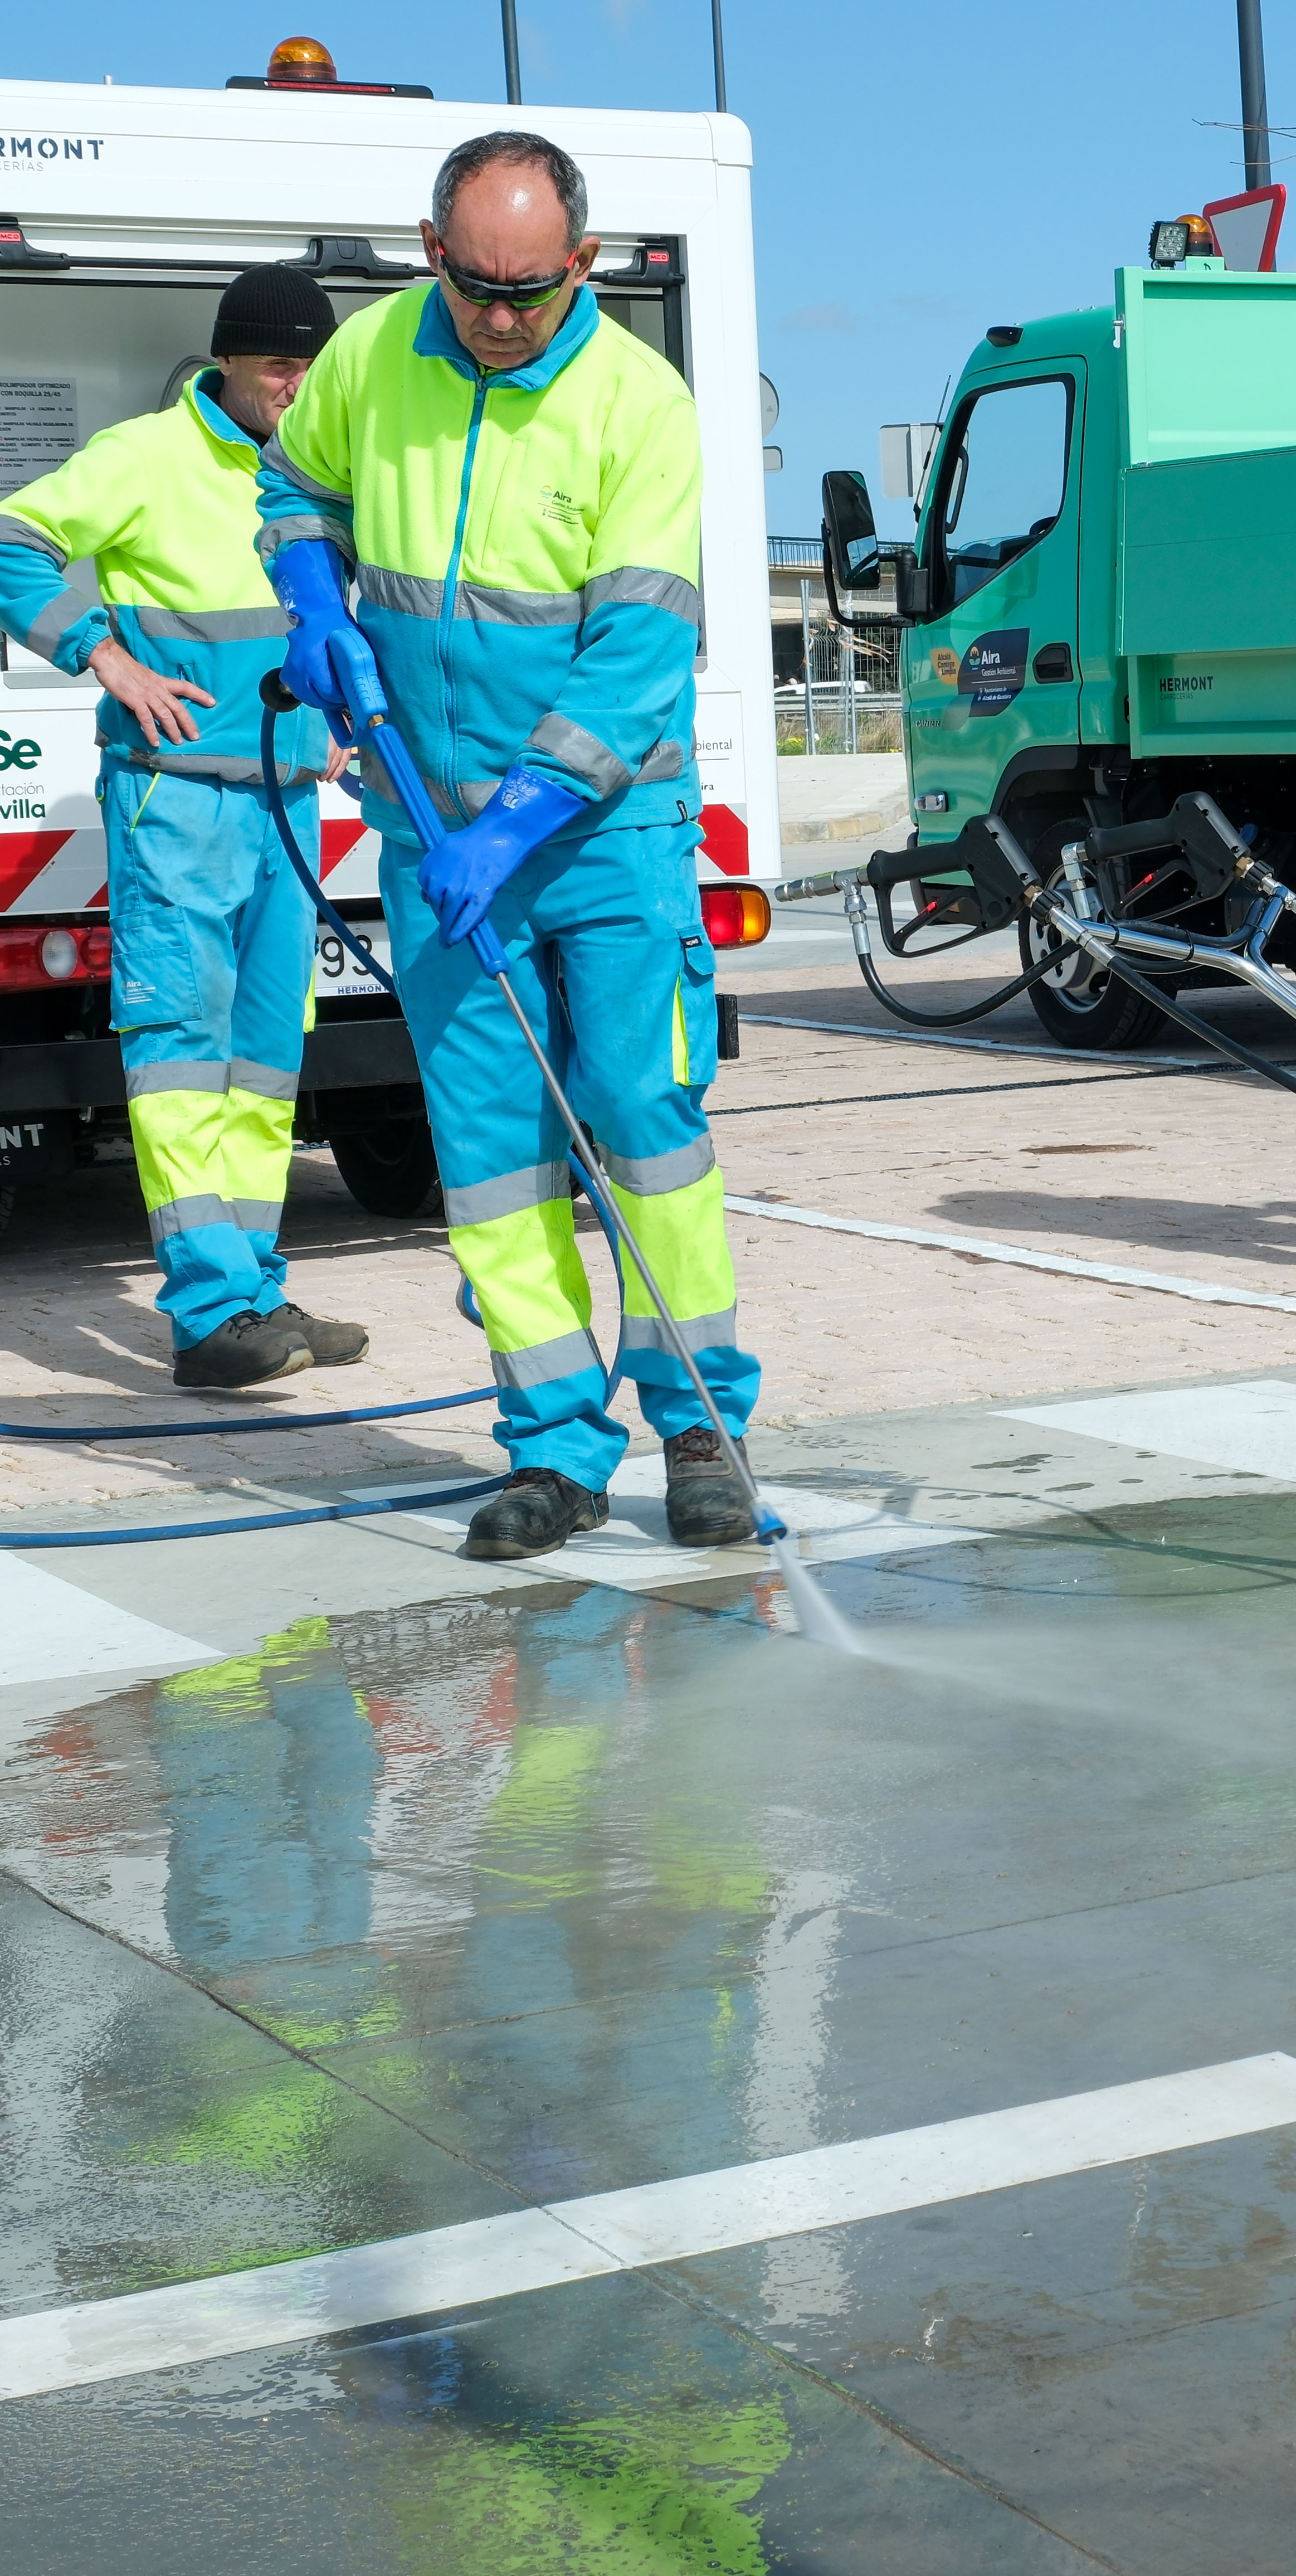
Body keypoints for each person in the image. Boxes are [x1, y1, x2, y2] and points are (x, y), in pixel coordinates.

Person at [259, 131, 757, 1560]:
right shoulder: (371, 358)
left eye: (529, 292)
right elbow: (295, 486)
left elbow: (636, 660)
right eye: (475, 285)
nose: (498, 317)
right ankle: (552, 1448)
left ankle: (704, 1430)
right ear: (432, 254)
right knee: (492, 1156)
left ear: (582, 266)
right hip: (431, 828)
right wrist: (312, 592)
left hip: (604, 833)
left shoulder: (637, 405)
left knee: (644, 1124)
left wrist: (522, 818)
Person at [0, 266, 368, 1392]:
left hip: (287, 800)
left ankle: (253, 1290)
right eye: (278, 361)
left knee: (262, 1063)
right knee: (184, 1053)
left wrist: (332, 728)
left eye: (311, 362)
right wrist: (104, 653)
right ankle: (204, 1312)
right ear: (228, 358)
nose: (296, 381)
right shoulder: (146, 457)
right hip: (175, 797)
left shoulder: (324, 466)